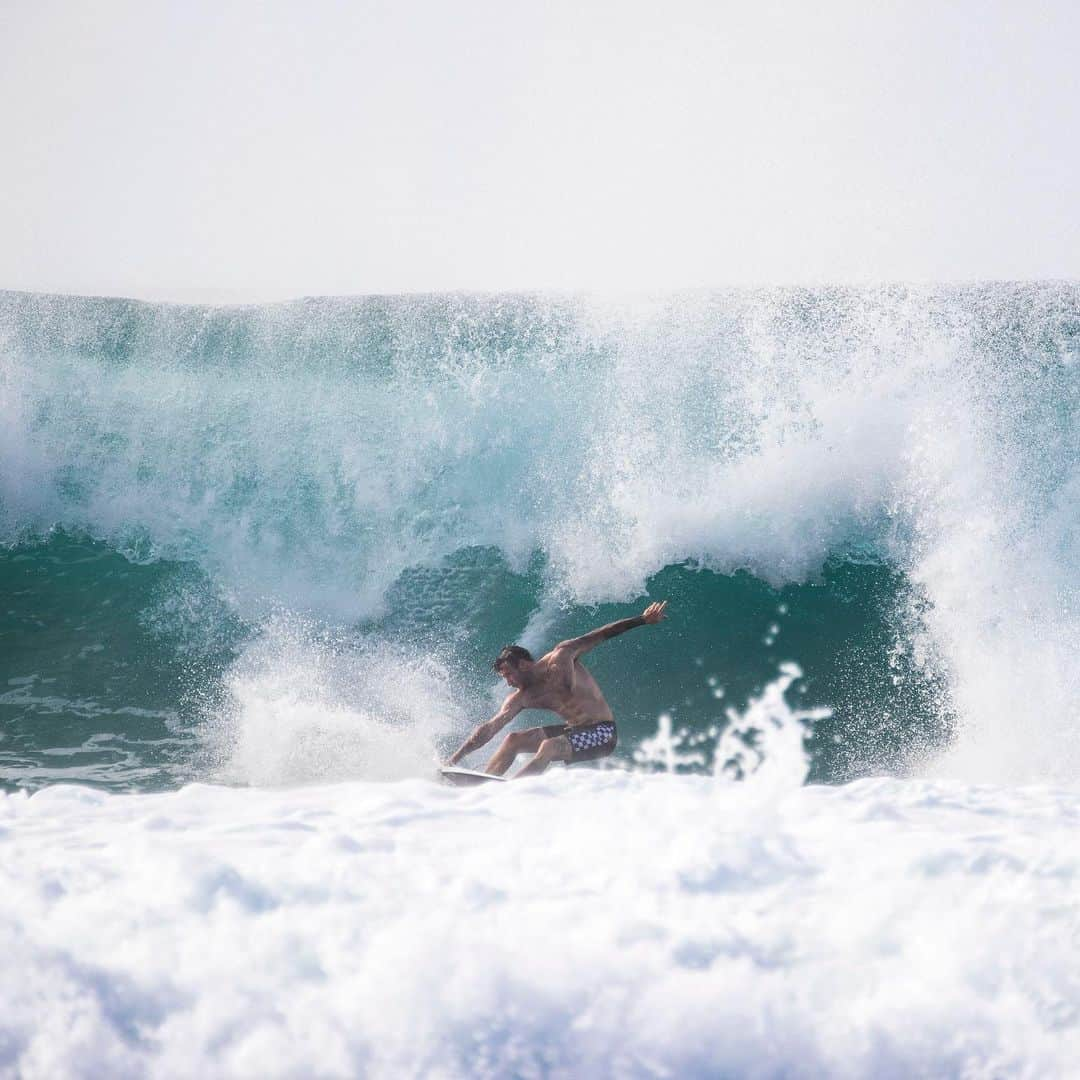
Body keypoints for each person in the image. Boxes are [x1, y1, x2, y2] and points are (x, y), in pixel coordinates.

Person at [448, 601, 668, 779]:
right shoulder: (522, 697)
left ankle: (512, 793)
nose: (508, 682)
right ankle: (485, 788)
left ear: (524, 665)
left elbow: (601, 634)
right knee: (513, 739)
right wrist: (455, 759)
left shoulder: (562, 656)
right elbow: (490, 728)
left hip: (603, 733)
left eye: (509, 674)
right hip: (574, 730)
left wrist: (642, 620)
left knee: (550, 746)